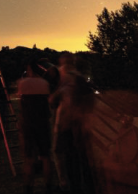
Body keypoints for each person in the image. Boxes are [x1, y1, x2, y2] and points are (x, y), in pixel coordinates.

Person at [49, 54, 96, 194]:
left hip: (68, 124)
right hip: (81, 123)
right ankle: (88, 186)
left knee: (68, 157)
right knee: (82, 157)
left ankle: (69, 185)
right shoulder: (80, 78)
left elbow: (60, 99)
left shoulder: (67, 76)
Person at [18, 58, 52, 194]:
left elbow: (22, 105)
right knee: (45, 157)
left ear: (30, 69)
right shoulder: (45, 84)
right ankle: (48, 185)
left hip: (28, 124)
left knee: (28, 158)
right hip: (43, 123)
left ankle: (29, 186)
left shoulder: (23, 83)